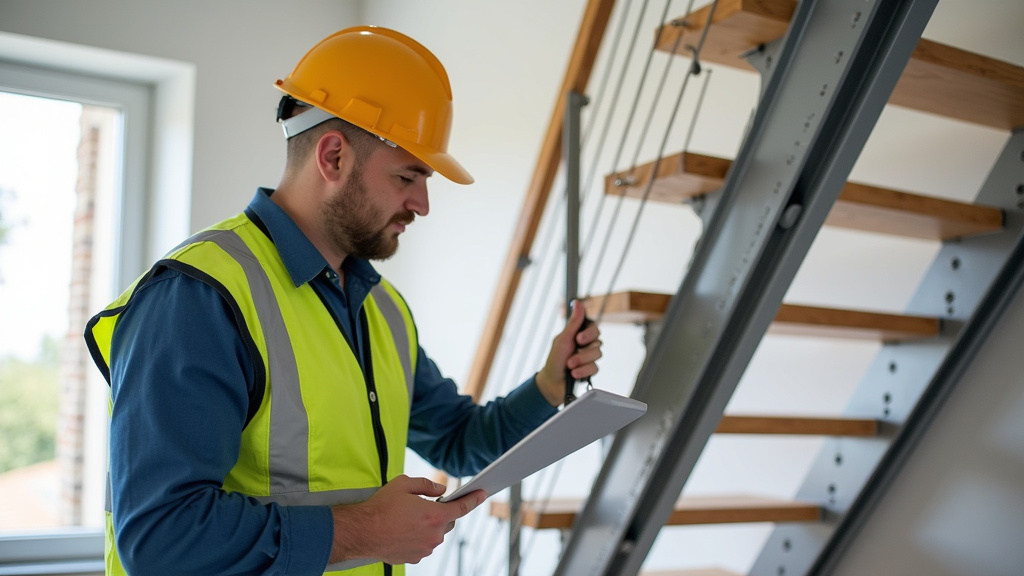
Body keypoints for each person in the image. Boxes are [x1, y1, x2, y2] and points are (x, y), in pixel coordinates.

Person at [84, 25, 601, 576]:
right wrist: (366, 531)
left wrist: (549, 385)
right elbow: (162, 539)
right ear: (333, 157)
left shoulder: (383, 311)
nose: (422, 204)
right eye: (408, 175)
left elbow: (459, 441)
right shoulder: (198, 298)